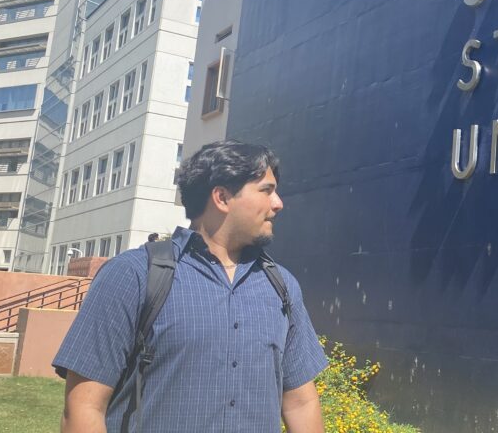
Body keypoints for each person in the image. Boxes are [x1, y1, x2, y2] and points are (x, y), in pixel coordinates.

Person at [54, 140, 327, 432]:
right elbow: (83, 408)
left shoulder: (282, 286)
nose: (278, 203)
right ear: (221, 197)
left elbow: (300, 402)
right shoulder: (133, 275)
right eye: (266, 190)